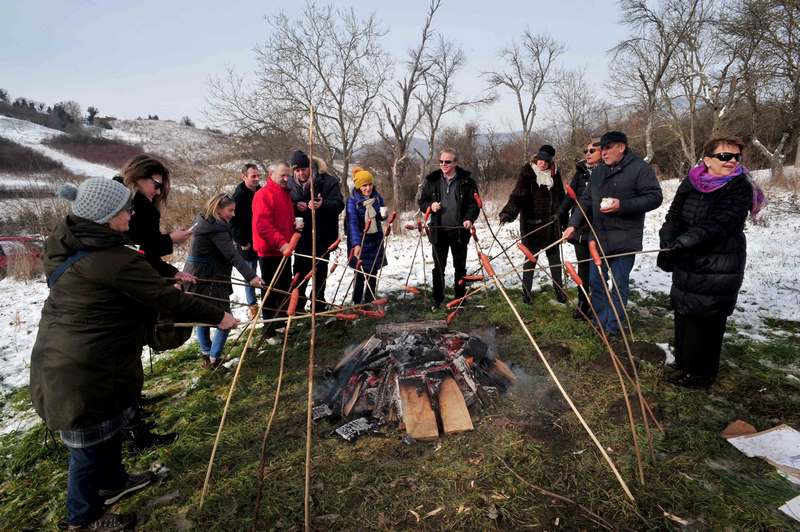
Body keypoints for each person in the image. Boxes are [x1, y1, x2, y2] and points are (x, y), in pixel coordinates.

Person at [30, 178, 237, 531]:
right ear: (107, 218)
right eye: (125, 209)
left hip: (87, 356)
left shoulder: (75, 244)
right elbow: (165, 299)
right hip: (78, 367)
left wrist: (166, 279)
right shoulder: (111, 259)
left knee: (107, 426)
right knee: (88, 448)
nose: (131, 213)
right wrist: (219, 316)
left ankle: (113, 483)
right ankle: (82, 520)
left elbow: (123, 283)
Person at [657, 136, 764, 389]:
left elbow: (722, 222)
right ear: (707, 160)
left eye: (737, 157)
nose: (732, 161)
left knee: (707, 318)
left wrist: (684, 241)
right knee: (684, 310)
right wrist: (667, 238)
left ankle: (701, 374)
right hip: (687, 256)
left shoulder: (739, 186)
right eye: (725, 156)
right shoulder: (691, 181)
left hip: (719, 261)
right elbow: (673, 214)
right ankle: (684, 364)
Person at [562, 131, 662, 335]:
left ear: (621, 147)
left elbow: (654, 197)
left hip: (625, 238)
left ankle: (613, 326)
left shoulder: (639, 169)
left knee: (618, 283)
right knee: (595, 282)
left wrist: (622, 205)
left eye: (607, 148)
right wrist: (573, 224)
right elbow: (587, 200)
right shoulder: (598, 172)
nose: (603, 153)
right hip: (599, 238)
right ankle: (600, 320)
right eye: (602, 149)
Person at [184, 193, 264, 369]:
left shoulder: (204, 223)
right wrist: (251, 276)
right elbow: (233, 255)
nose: (233, 214)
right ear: (218, 210)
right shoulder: (216, 230)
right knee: (225, 318)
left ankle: (207, 353)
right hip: (210, 279)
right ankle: (214, 358)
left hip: (196, 275)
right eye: (230, 210)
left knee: (202, 315)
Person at [499, 144, 566, 305]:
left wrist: (564, 222)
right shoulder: (527, 174)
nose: (541, 163)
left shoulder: (555, 175)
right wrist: (508, 213)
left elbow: (561, 199)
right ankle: (526, 295)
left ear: (550, 162)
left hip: (552, 226)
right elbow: (517, 195)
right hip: (532, 226)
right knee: (530, 260)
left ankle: (560, 293)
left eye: (545, 161)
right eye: (539, 160)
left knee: (555, 260)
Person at [418, 148, 480, 310]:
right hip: (438, 230)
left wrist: (469, 218)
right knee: (438, 266)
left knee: (460, 266)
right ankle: (437, 299)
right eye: (441, 162)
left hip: (459, 231)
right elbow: (422, 201)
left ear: (455, 163)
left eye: (448, 162)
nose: (444, 165)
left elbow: (474, 205)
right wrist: (430, 206)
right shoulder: (432, 181)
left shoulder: (467, 182)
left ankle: (460, 299)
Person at [119, 154, 194, 281]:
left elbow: (142, 253)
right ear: (139, 176)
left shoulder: (140, 205)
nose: (158, 192)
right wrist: (170, 239)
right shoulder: (134, 207)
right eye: (157, 185)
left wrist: (171, 272)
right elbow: (133, 250)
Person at [287, 150, 345, 311]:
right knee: (299, 268)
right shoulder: (290, 184)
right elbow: (285, 205)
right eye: (297, 170)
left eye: (303, 169)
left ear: (310, 167)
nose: (300, 173)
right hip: (301, 235)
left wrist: (322, 204)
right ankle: (297, 303)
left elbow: (339, 204)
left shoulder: (328, 181)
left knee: (320, 269)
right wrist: (295, 206)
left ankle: (318, 302)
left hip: (323, 234)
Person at [557, 139, 601, 318]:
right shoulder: (581, 173)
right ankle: (583, 304)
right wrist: (559, 213)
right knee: (582, 268)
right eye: (586, 151)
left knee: (597, 269)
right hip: (580, 226)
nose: (587, 154)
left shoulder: (608, 173)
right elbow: (570, 197)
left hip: (599, 227)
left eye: (592, 150)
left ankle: (599, 306)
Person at [253, 161, 297, 342]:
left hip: (285, 249)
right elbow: (263, 225)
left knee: (284, 288)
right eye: (282, 175)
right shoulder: (264, 194)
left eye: (288, 175)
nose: (286, 179)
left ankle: (279, 325)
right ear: (271, 174)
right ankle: (268, 329)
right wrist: (281, 243)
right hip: (271, 250)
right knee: (270, 291)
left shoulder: (285, 193)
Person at [345, 168, 387, 304]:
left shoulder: (377, 198)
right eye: (364, 185)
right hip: (361, 241)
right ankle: (356, 302)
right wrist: (356, 244)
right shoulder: (353, 202)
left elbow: (380, 216)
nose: (368, 188)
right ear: (358, 186)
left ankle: (370, 301)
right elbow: (352, 224)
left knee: (373, 272)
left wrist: (383, 215)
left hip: (375, 240)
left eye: (369, 184)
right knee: (360, 273)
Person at [230, 163, 262, 320]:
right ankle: (253, 306)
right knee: (250, 275)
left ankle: (268, 301)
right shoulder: (237, 197)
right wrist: (242, 241)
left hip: (262, 240)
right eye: (253, 176)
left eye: (258, 175)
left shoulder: (262, 192)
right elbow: (231, 223)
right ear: (244, 177)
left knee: (266, 273)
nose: (256, 179)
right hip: (247, 243)